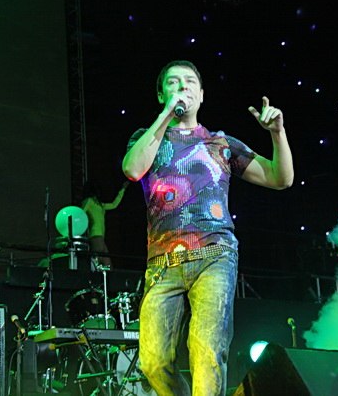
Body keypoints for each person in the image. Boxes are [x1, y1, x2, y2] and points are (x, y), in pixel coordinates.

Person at [122, 60, 294, 396]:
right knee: (153, 362)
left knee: (207, 352)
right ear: (161, 94)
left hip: (215, 254)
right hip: (162, 263)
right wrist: (166, 116)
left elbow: (280, 178)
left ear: (201, 94)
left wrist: (277, 133)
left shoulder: (220, 143)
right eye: (173, 82)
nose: (182, 87)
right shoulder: (146, 138)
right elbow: (132, 169)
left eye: (189, 82)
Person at [81, 179, 129, 269]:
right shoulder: (88, 201)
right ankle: (95, 275)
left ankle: (101, 275)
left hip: (101, 237)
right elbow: (80, 213)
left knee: (107, 265)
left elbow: (114, 205)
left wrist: (123, 189)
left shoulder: (100, 205)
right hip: (95, 235)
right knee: (99, 262)